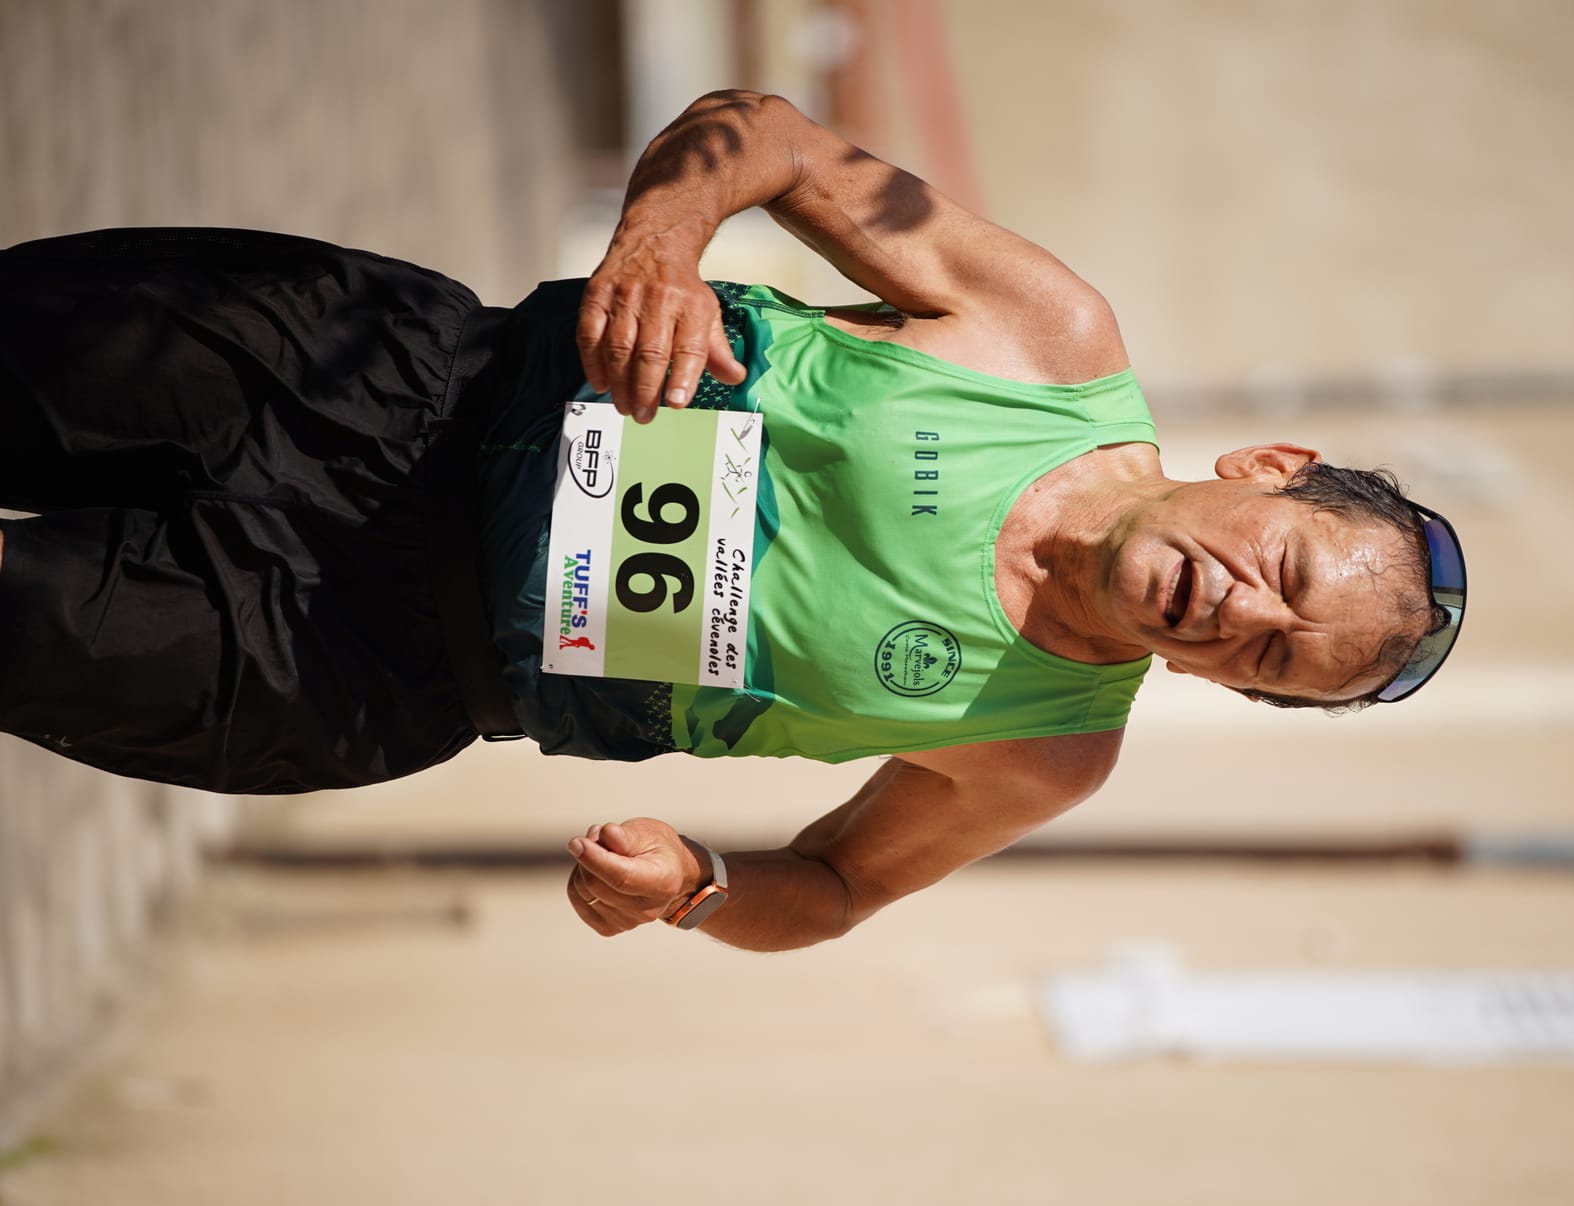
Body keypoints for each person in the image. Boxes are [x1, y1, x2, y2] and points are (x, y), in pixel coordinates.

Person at [0, 90, 1465, 949]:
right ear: (1270, 467)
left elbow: (834, 882)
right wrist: (663, 237)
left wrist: (698, 887)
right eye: (1283, 574)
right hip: (377, 383)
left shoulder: (1045, 744)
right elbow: (769, 137)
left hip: (364, 667)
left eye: (1272, 658)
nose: (1241, 614)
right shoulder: (1048, 340)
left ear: (1232, 690)